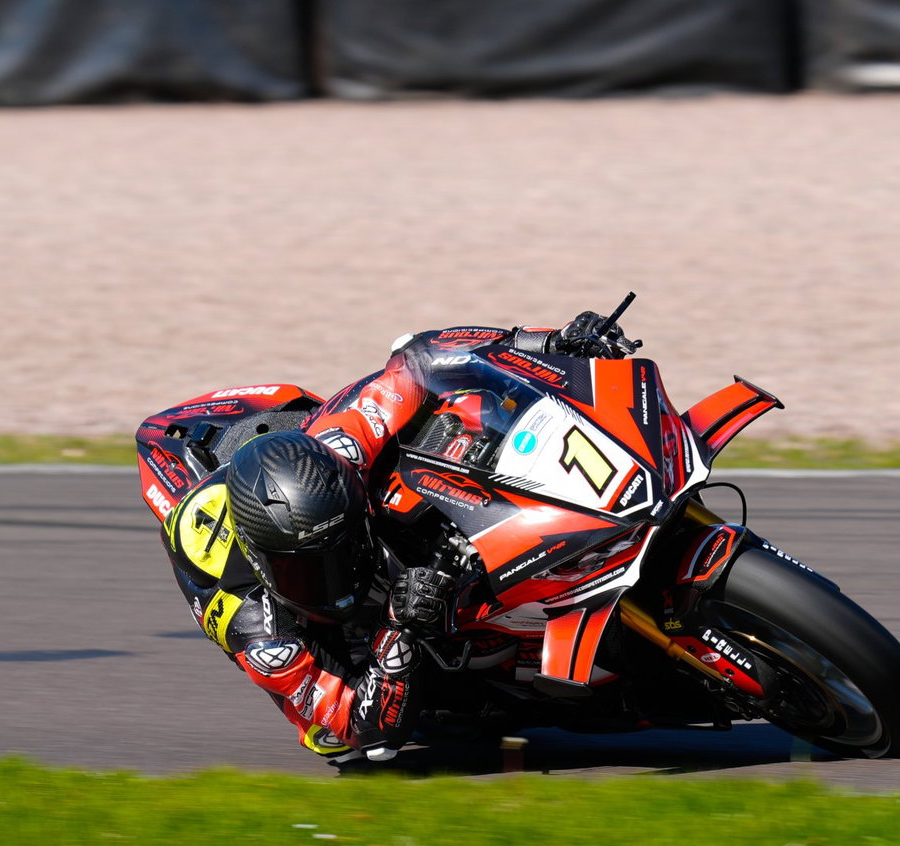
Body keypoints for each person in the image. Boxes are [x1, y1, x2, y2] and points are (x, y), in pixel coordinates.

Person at [158, 310, 636, 765]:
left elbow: (420, 359)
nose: (336, 573)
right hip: (344, 666)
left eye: (343, 550)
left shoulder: (344, 442)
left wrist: (550, 343)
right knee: (363, 732)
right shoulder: (262, 636)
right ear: (266, 564)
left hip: (318, 492)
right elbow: (364, 730)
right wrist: (398, 628)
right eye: (313, 568)